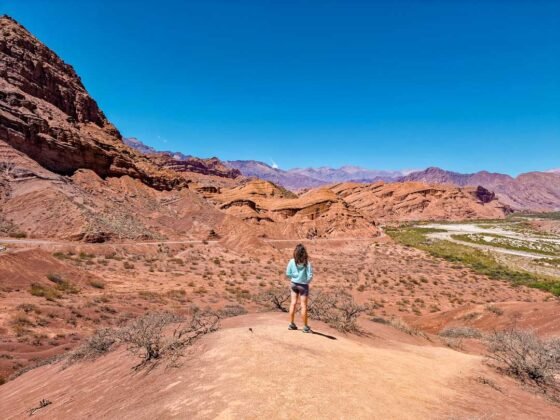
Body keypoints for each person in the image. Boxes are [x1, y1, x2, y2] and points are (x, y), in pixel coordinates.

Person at [286, 243, 313, 333]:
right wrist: (305, 281)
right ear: (304, 253)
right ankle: (305, 327)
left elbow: (288, 273)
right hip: (303, 285)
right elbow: (310, 275)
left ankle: (291, 324)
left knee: (293, 303)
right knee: (303, 305)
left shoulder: (291, 261)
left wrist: (295, 277)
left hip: (294, 284)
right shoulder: (307, 263)